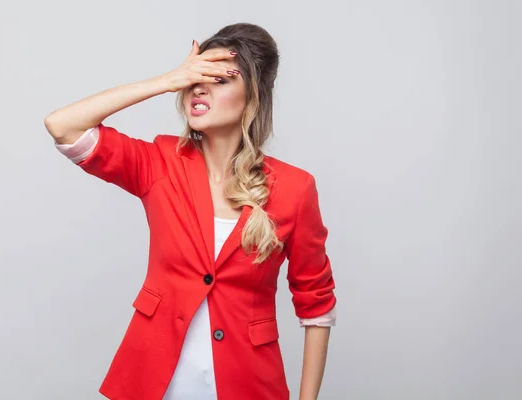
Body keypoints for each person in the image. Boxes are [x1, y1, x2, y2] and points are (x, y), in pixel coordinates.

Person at [44, 22, 337, 400]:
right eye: (196, 77)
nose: (200, 87)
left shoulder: (295, 189)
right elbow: (62, 126)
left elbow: (316, 305)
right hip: (155, 378)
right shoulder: (161, 162)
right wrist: (168, 80)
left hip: (248, 381)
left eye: (220, 79)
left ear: (253, 98)